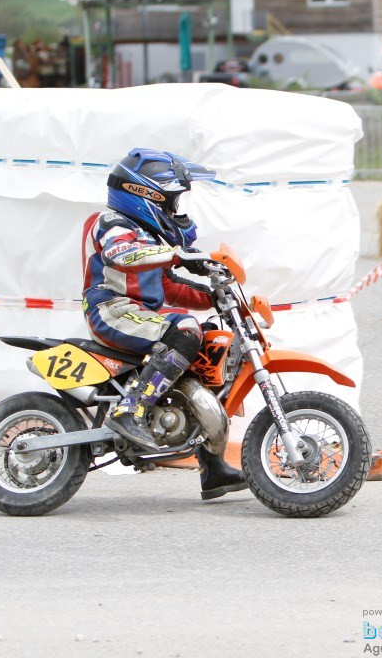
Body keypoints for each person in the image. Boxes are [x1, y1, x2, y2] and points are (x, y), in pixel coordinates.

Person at [82, 147, 246, 500]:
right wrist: (176, 253)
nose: (176, 212)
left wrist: (215, 295)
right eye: (172, 203)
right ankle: (131, 410)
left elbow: (168, 287)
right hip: (112, 310)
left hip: (142, 315)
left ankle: (212, 466)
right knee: (185, 329)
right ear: (146, 194)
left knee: (206, 346)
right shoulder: (110, 224)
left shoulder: (148, 238)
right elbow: (120, 255)